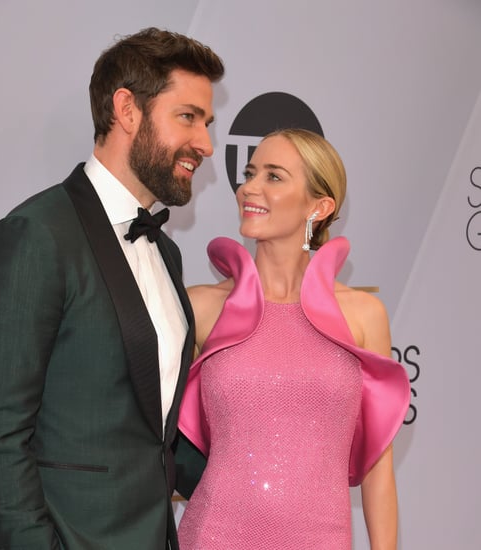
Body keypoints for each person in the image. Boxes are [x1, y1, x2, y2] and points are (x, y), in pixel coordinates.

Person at [0, 27, 224, 550]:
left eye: (207, 123)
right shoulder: (35, 236)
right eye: (188, 117)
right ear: (127, 110)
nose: (207, 144)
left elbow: (153, 434)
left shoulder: (165, 252)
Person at [175, 128, 411, 549]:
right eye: (250, 173)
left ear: (318, 207)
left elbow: (378, 468)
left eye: (274, 176)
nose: (250, 186)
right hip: (214, 536)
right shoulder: (203, 306)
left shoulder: (363, 315)